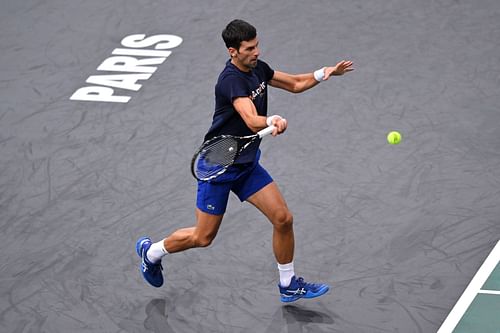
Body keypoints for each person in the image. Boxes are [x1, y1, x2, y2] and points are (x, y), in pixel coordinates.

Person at [136, 19, 353, 303]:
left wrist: (326, 73)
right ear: (232, 51)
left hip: (246, 164)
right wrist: (270, 120)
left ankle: (288, 284)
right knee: (203, 237)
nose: (256, 52)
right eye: (249, 48)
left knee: (283, 219)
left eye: (257, 45)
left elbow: (296, 83)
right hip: (220, 167)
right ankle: (152, 252)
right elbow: (250, 120)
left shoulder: (257, 69)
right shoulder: (231, 81)